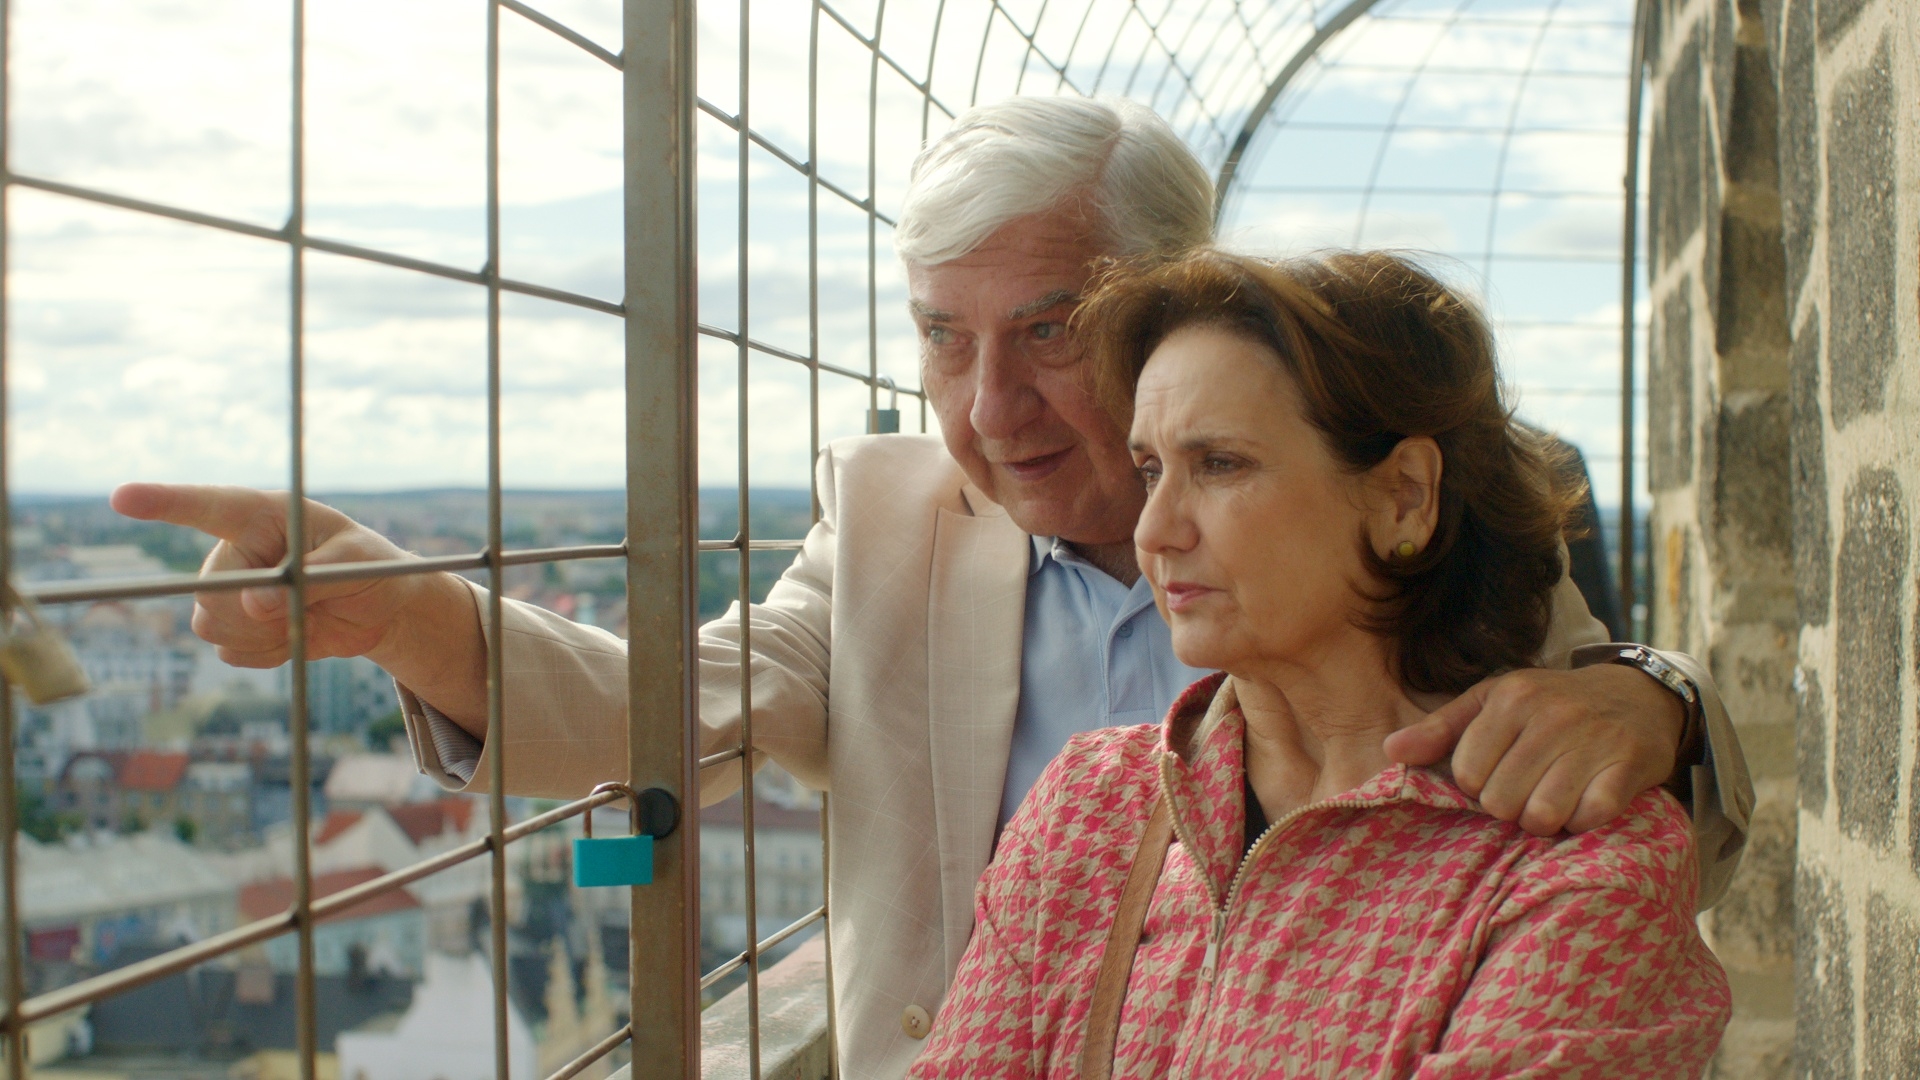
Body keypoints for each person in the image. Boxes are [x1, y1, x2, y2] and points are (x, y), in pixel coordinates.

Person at [110, 97, 1748, 1079]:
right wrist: (414, 615)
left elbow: (1592, 798)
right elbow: (667, 711)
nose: (989, 405)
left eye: (1048, 330)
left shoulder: (1400, 520)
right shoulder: (900, 531)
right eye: (942, 340)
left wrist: (1653, 696)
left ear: (1170, 306)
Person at [909, 248, 1731, 1078]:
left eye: (1219, 464)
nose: (1154, 529)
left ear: (1405, 496)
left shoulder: (1577, 862)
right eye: (1151, 470)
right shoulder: (1087, 809)